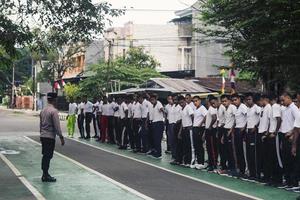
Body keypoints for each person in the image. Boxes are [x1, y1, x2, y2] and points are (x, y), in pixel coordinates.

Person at [40, 92, 65, 182]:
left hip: (43, 136)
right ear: (54, 100)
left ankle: (45, 173)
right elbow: (57, 126)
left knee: (45, 155)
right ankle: (45, 175)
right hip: (50, 136)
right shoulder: (54, 111)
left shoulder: (43, 110)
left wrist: (41, 134)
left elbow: (41, 124)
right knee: (48, 155)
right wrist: (61, 137)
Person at [280, 92, 300, 188]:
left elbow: (297, 123)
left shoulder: (294, 108)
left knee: (292, 160)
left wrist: (292, 133)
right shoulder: (285, 109)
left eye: (283, 100)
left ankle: (294, 182)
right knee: (286, 160)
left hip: (291, 137)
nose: (282, 102)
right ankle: (288, 181)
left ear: (288, 98)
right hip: (284, 135)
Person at [245, 93, 261, 179]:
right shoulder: (248, 109)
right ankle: (251, 172)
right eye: (247, 99)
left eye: (250, 99)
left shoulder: (257, 108)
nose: (248, 101)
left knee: (253, 153)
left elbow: (260, 118)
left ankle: (256, 173)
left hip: (254, 132)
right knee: (248, 153)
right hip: (248, 132)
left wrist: (256, 126)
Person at [231, 93, 248, 176]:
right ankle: (241, 169)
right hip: (237, 129)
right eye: (233, 100)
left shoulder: (243, 107)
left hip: (242, 130)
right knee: (238, 151)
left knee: (243, 151)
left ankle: (245, 169)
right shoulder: (236, 108)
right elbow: (236, 120)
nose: (234, 102)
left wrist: (244, 128)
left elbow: (248, 117)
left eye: (235, 100)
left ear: (239, 99)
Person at [257, 94, 272, 181]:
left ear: (264, 99)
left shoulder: (269, 107)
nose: (259, 103)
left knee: (267, 156)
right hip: (260, 132)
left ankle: (268, 176)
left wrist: (266, 134)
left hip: (265, 134)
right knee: (262, 156)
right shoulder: (263, 108)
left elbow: (270, 121)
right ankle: (264, 174)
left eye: (260, 100)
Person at [223, 95, 237, 175]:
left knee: (232, 150)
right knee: (227, 150)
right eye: (223, 101)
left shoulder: (232, 107)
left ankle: (234, 168)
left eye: (225, 101)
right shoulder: (226, 109)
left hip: (230, 130)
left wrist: (231, 130)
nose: (224, 103)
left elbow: (236, 119)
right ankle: (230, 167)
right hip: (226, 129)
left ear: (229, 101)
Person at [192, 95, 207, 169]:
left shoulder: (202, 108)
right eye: (194, 101)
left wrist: (201, 124)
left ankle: (201, 162)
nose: (195, 102)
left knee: (200, 146)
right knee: (196, 145)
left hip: (200, 128)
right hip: (195, 127)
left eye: (196, 101)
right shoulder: (195, 108)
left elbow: (206, 116)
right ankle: (198, 162)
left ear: (200, 101)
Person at [179, 95, 194, 167]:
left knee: (190, 146)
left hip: (189, 128)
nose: (181, 104)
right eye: (180, 103)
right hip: (184, 129)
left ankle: (191, 161)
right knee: (185, 146)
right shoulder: (182, 109)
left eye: (182, 102)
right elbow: (182, 121)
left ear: (185, 101)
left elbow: (192, 116)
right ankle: (186, 161)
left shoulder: (188, 107)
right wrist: (180, 131)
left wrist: (192, 125)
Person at [204, 96, 218, 171]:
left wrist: (210, 126)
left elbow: (214, 118)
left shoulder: (211, 108)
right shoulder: (209, 108)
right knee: (209, 148)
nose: (205, 100)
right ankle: (210, 164)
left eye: (206, 99)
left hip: (211, 130)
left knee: (212, 148)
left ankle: (213, 165)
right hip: (208, 130)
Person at [149, 93, 164, 158]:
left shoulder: (158, 103)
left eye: (153, 100)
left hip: (159, 123)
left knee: (157, 139)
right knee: (154, 139)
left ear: (155, 99)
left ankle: (159, 153)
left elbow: (162, 109)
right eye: (151, 100)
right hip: (154, 123)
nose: (152, 101)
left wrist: (165, 116)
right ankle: (156, 151)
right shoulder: (153, 106)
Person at [165, 94, 178, 159]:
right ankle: (174, 156)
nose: (174, 101)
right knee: (171, 141)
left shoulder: (179, 107)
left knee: (176, 142)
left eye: (175, 99)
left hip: (176, 125)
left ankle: (177, 157)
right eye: (173, 99)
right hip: (170, 124)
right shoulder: (170, 107)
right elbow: (167, 115)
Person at [217, 95, 227, 174]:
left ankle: (224, 166)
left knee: (223, 149)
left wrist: (223, 134)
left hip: (224, 128)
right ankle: (222, 165)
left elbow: (225, 120)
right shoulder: (219, 108)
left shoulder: (224, 108)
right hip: (220, 128)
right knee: (220, 148)